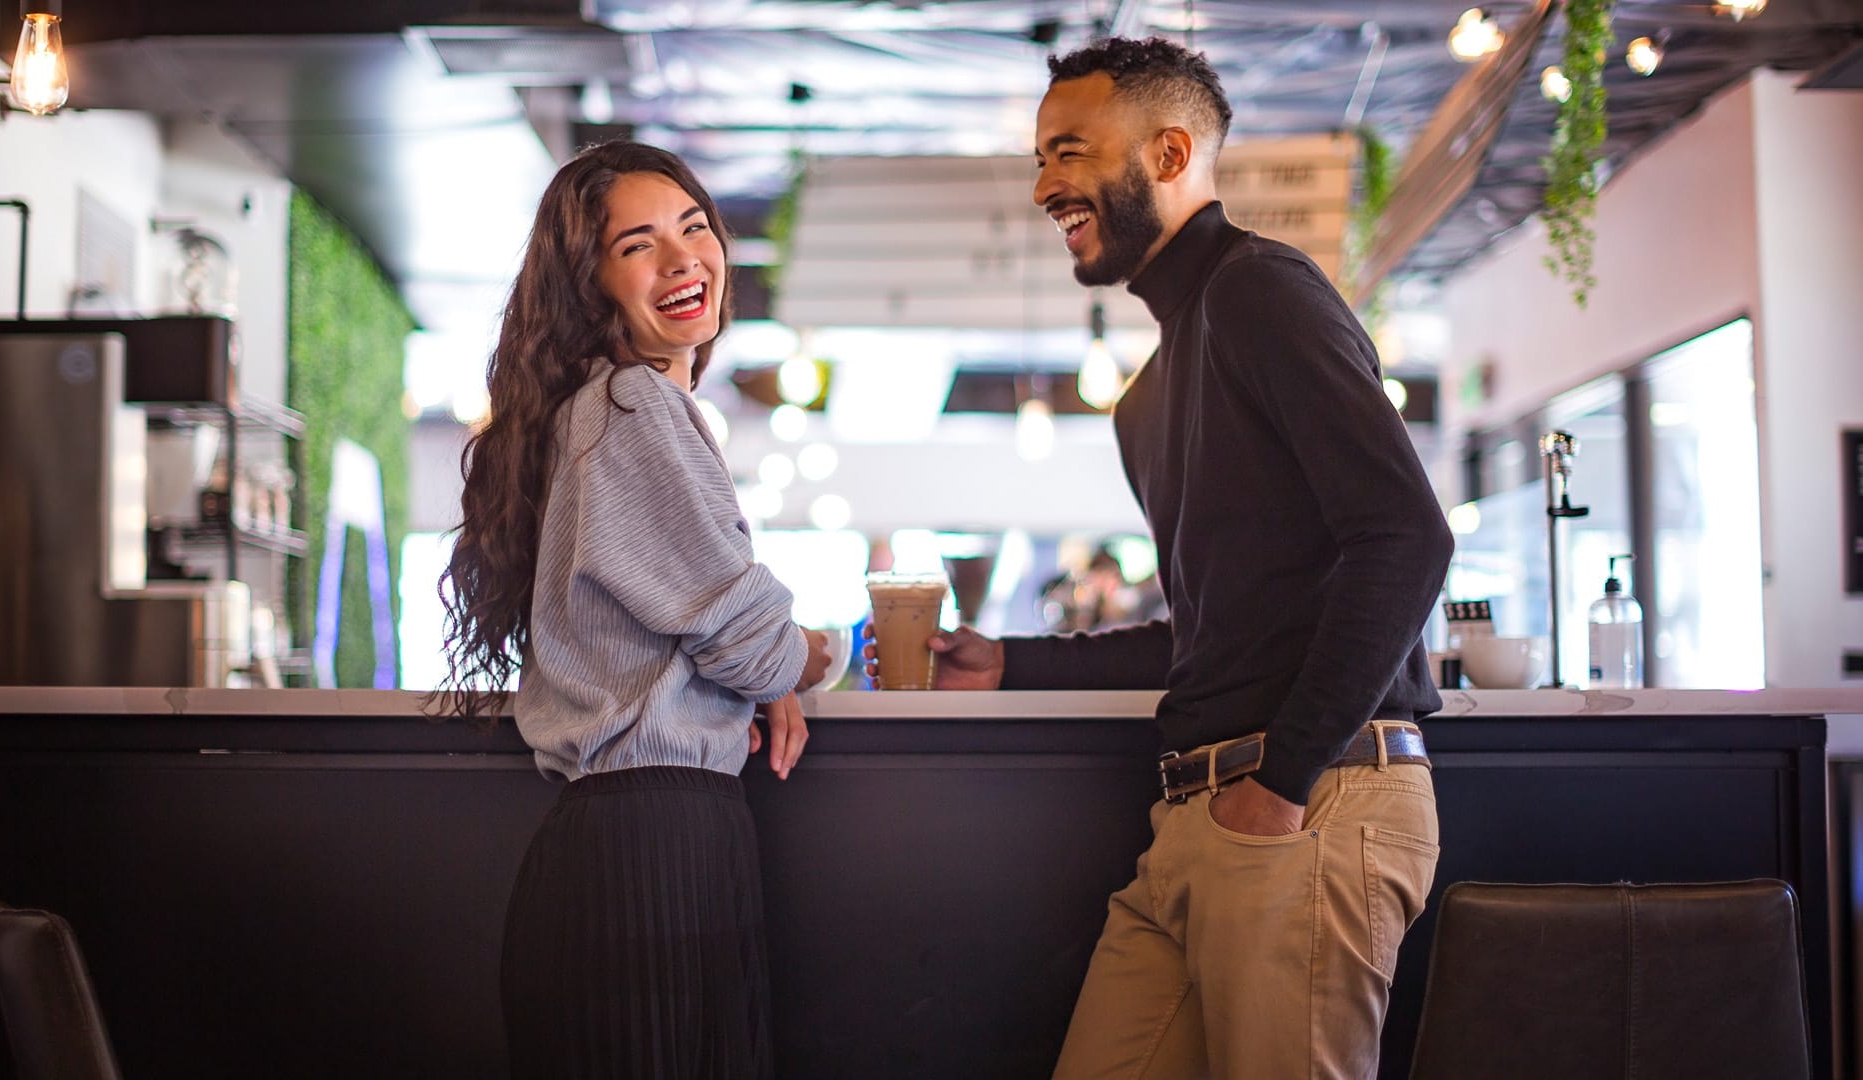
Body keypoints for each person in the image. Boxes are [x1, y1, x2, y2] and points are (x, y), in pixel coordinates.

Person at [873, 37, 1454, 1078]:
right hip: (1199, 815)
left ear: (1172, 152)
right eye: (1040, 159)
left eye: (1070, 152)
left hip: (1306, 803)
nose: (1045, 184)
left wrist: (1278, 784)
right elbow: (1215, 632)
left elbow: (1407, 537)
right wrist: (1011, 662)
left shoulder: (1261, 291)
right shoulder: (1147, 396)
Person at [437, 141, 831, 1078]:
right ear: (591, 285)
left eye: (694, 227)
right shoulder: (628, 405)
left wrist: (752, 678)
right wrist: (805, 655)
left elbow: (708, 638)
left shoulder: (610, 410)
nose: (683, 258)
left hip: (646, 842)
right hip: (646, 853)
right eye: (637, 246)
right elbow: (755, 641)